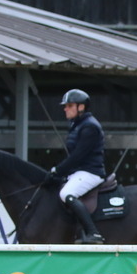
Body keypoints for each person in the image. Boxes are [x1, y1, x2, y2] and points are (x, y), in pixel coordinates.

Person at [53, 89, 106, 244]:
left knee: (67, 193)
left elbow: (78, 156)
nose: (65, 109)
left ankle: (93, 233)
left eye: (69, 105)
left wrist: (58, 170)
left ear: (81, 107)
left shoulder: (89, 126)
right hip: (79, 171)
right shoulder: (78, 125)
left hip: (91, 172)